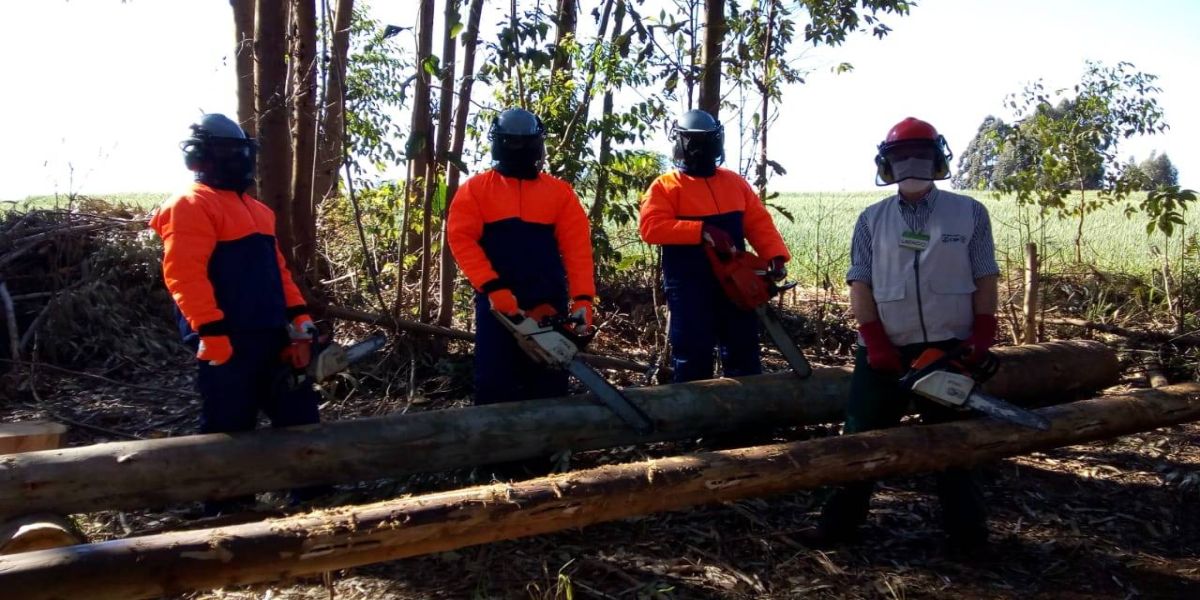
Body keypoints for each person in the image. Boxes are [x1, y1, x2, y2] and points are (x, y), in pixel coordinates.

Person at [813, 117, 1001, 550]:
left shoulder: (969, 211)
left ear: (936, 160)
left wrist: (982, 335)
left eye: (920, 155)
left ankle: (968, 536)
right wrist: (874, 340)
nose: (911, 164)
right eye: (902, 157)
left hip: (949, 345)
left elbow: (985, 275)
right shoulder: (871, 219)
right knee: (860, 442)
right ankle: (837, 529)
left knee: (955, 446)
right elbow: (860, 283)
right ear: (887, 164)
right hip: (885, 348)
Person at [148, 113, 325, 515]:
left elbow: (278, 271)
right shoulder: (191, 205)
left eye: (239, 151)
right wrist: (209, 328)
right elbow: (184, 273)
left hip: (272, 331)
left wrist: (298, 317)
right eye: (229, 151)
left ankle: (315, 498)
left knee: (299, 416)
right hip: (227, 336)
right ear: (204, 156)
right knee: (229, 424)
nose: (238, 159)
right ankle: (229, 509)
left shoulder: (258, 211)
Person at [446, 107, 597, 406]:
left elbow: (577, 248)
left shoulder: (559, 193)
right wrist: (491, 287)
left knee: (549, 378)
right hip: (497, 304)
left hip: (547, 298)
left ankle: (548, 449)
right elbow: (461, 239)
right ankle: (497, 450)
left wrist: (583, 299)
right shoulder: (476, 190)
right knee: (494, 380)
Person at [638, 109, 790, 383]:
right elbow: (651, 227)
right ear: (681, 143)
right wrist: (700, 231)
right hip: (688, 284)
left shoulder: (734, 183)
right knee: (692, 354)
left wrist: (775, 257)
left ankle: (745, 416)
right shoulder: (665, 187)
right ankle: (694, 419)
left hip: (736, 281)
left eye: (705, 143)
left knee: (743, 351)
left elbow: (758, 223)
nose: (698, 150)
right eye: (693, 143)